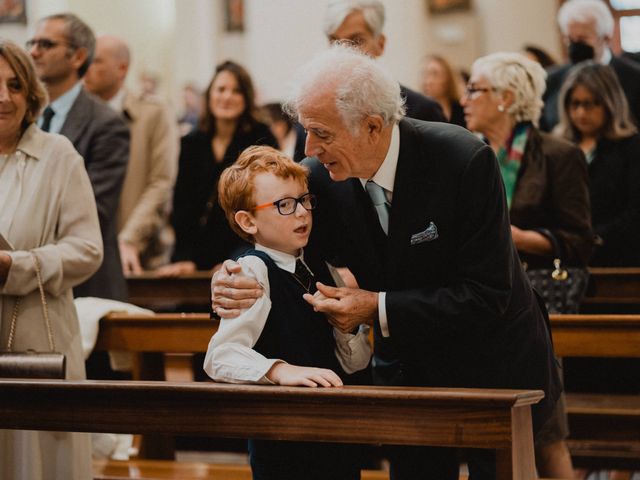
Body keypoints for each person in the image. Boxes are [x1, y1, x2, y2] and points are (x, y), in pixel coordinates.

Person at [211, 44, 561, 480]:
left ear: (372, 127)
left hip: (493, 361)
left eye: (321, 132)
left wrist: (373, 307)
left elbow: (488, 294)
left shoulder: (462, 160)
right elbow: (277, 239)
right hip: (408, 371)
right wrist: (231, 272)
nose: (309, 147)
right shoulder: (320, 177)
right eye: (306, 130)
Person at [461, 52, 593, 479]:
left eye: (475, 89)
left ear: (506, 97)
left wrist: (514, 237)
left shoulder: (557, 153)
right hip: (479, 304)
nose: (464, 98)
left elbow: (578, 241)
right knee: (491, 430)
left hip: (533, 305)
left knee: (547, 432)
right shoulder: (465, 153)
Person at [205, 145, 371, 480]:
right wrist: (278, 371)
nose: (302, 213)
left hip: (335, 434)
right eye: (284, 205)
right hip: (282, 437)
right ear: (248, 220)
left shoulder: (322, 269)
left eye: (305, 200)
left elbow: (355, 362)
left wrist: (346, 329)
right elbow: (219, 356)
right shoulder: (253, 271)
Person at [0, 39, 102, 480]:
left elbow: (86, 249)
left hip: (35, 335)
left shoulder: (57, 155)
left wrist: (13, 267)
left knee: (33, 459)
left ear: (31, 96)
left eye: (14, 85)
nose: (3, 97)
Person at [27, 13, 129, 302]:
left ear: (78, 56)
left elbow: (94, 212)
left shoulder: (106, 124)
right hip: (26, 278)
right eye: (32, 42)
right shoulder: (22, 119)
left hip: (84, 284)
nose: (33, 52)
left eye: (46, 44)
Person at [156, 60, 277, 278]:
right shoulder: (192, 141)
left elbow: (263, 207)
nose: (227, 97)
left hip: (245, 250)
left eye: (236, 91)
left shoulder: (262, 137)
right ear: (210, 94)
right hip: (193, 253)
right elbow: (183, 205)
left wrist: (235, 258)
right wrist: (186, 259)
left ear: (246, 98)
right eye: (221, 89)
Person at [84, 35, 179, 273]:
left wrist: (129, 239)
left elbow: (160, 183)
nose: (86, 68)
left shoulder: (153, 113)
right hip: (86, 249)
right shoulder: (79, 116)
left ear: (122, 68)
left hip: (137, 250)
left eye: (96, 62)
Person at [555, 61, 640, 267]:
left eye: (590, 104)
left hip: (618, 257)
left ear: (610, 104)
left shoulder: (630, 146)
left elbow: (635, 210)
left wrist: (595, 237)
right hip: (569, 259)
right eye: (575, 104)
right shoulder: (559, 147)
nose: (581, 113)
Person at [323, 0, 445, 123]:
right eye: (335, 42)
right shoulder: (317, 106)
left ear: (380, 44)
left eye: (357, 41)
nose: (343, 52)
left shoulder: (423, 111)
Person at [540, 0, 640, 132]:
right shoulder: (551, 80)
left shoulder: (634, 78)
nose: (575, 45)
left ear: (606, 38)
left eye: (582, 39)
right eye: (570, 39)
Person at [421, 54, 466, 127]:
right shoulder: (419, 110)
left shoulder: (461, 109)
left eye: (435, 74)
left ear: (448, 78)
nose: (428, 81)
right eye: (426, 74)